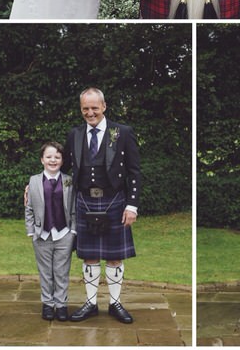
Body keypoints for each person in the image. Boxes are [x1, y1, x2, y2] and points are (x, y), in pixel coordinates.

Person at [62, 88, 140, 324]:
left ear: (104, 106)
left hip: (114, 200)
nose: (90, 112)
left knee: (115, 257)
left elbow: (135, 171)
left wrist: (132, 205)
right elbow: (61, 167)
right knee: (89, 256)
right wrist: (36, 183)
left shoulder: (122, 132)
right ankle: (91, 303)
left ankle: (115, 303)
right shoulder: (74, 134)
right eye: (85, 108)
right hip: (84, 200)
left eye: (94, 108)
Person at [26, 142, 77, 321]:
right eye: (48, 157)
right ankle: (48, 304)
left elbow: (74, 208)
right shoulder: (33, 181)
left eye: (57, 157)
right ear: (42, 160)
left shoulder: (69, 180)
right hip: (42, 234)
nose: (52, 160)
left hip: (64, 233)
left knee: (61, 272)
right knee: (45, 272)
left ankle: (61, 305)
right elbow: (29, 208)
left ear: (62, 161)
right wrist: (31, 232)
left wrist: (73, 231)